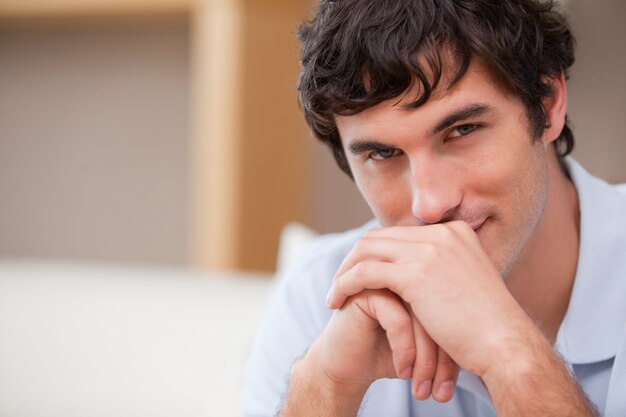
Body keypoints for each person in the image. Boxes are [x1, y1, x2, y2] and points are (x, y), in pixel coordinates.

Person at [244, 0, 626, 416]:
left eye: (463, 130)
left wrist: (511, 355)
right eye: (383, 154)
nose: (430, 204)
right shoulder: (317, 295)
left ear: (549, 103)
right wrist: (328, 387)